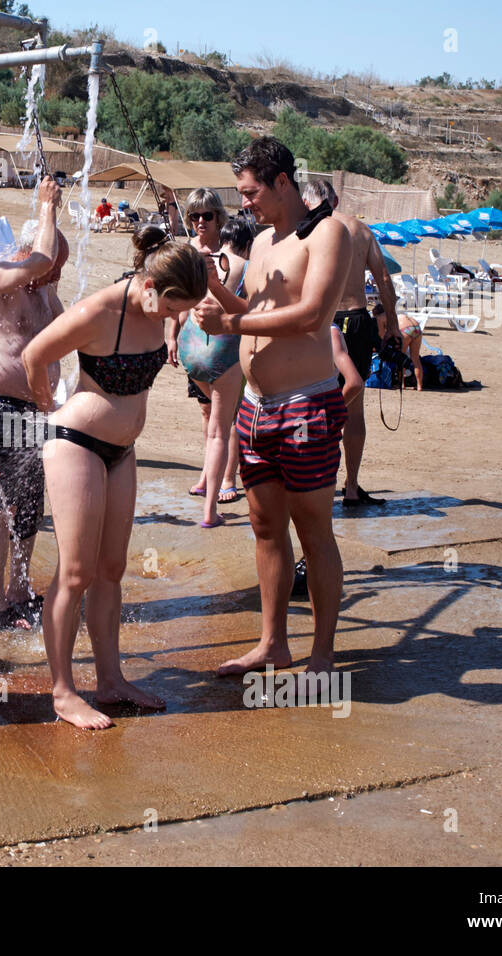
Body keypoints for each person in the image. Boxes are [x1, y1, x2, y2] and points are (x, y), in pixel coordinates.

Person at [22, 225, 209, 729]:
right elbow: (34, 354)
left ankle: (110, 679)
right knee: (76, 571)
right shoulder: (99, 312)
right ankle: (63, 692)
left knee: (111, 568)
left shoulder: (158, 302)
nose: (176, 318)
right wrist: (48, 406)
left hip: (123, 451)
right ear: (150, 287)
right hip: (76, 444)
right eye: (172, 308)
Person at [194, 137, 353, 678]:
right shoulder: (261, 241)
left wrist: (232, 324)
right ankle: (273, 644)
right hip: (255, 407)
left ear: (283, 181)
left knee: (313, 529)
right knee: (265, 528)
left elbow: (311, 316)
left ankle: (324, 653)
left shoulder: (327, 233)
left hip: (305, 406)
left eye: (251, 191)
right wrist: (217, 290)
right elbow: (258, 309)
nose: (245, 203)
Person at [0, 178, 67, 630]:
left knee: (31, 504)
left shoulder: (43, 289)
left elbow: (72, 331)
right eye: (52, 268)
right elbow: (43, 258)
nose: (56, 275)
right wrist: (49, 207)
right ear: (26, 257)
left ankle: (19, 587)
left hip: (38, 413)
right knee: (1, 502)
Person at [301, 179, 398, 509]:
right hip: (355, 322)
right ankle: (352, 486)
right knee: (354, 407)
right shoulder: (359, 229)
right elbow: (384, 280)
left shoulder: (305, 230)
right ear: (337, 199)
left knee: (308, 397)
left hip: (317, 321)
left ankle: (311, 480)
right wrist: (393, 326)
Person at [165, 189, 251, 527]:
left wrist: (175, 337)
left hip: (193, 350)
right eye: (194, 217)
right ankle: (210, 509)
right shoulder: (238, 263)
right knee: (221, 427)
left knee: (216, 421)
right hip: (221, 349)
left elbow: (172, 299)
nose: (200, 222)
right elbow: (245, 309)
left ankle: (215, 478)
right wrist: (170, 335)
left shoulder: (189, 255)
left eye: (207, 216)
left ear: (220, 218)